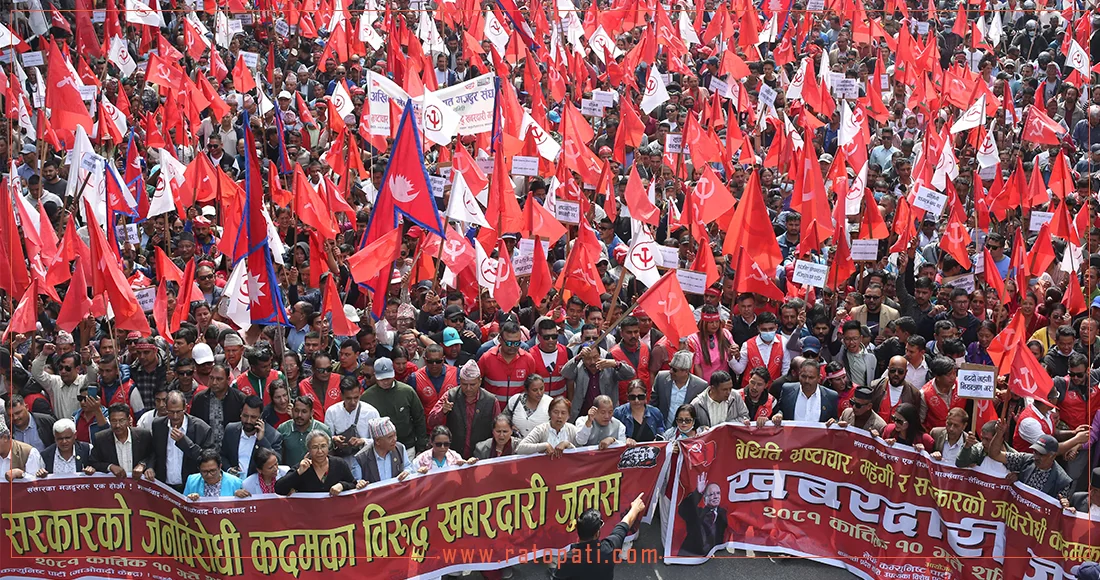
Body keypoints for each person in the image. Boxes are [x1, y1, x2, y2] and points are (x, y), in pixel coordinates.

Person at [986, 420, 1088, 501]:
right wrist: (999, 434)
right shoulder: (1026, 460)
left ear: (1053, 456)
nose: (1036, 457)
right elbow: (995, 454)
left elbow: (1056, 512)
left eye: (1041, 454)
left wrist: (1065, 505)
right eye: (1035, 452)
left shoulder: (1062, 481)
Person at [551, 493, 647, 580]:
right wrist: (635, 508)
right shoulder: (609, 549)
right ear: (597, 533)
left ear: (576, 528)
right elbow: (625, 524)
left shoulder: (567, 560)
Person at [427, 360, 502, 458]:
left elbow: (498, 428)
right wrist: (443, 411)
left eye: (472, 385)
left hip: (481, 455)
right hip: (454, 455)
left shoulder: (491, 400)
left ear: (480, 381)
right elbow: (430, 421)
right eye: (465, 384)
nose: (468, 388)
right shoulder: (450, 396)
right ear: (460, 381)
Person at [146, 391, 213, 491]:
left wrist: (184, 442)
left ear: (185, 408)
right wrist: (150, 467)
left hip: (190, 488)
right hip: (164, 486)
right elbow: (154, 452)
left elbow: (206, 459)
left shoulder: (201, 428)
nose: (175, 416)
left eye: (178, 411)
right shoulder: (158, 425)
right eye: (171, 412)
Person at [361, 358, 428, 456]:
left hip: (407, 447)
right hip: (380, 450)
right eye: (382, 379)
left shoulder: (407, 391)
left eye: (388, 378)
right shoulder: (367, 397)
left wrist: (421, 446)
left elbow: (419, 418)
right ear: (375, 375)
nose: (385, 382)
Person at [563, 344, 636, 418]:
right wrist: (577, 357)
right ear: (582, 359)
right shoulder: (578, 368)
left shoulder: (610, 368)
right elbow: (565, 373)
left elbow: (631, 374)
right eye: (588, 358)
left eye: (595, 357)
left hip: (607, 417)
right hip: (583, 416)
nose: (592, 362)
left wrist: (615, 364)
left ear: (600, 355)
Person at [275, 430, 356, 496]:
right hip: (308, 513)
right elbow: (279, 489)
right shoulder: (302, 467)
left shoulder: (339, 464)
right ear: (309, 449)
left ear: (329, 447)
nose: (320, 451)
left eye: (323, 446)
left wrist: (342, 485)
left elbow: (353, 484)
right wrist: (298, 472)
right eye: (315, 447)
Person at [220, 396, 283, 477]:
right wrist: (229, 469)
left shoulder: (273, 436)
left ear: (261, 416)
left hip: (258, 486)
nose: (248, 421)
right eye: (245, 416)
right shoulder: (231, 430)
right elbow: (222, 455)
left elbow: (277, 462)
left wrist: (262, 440)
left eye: (253, 417)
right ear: (240, 413)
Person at [325, 374, 380, 463]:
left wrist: (362, 441)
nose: (353, 402)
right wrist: (334, 439)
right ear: (342, 395)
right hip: (341, 462)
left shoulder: (371, 412)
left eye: (356, 398)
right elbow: (325, 438)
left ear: (360, 393)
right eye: (348, 398)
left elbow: (380, 440)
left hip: (366, 462)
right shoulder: (332, 412)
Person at [190, 363, 246, 450]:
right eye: (211, 378)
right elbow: (194, 426)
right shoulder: (199, 399)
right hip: (207, 450)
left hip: (231, 450)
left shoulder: (239, 399)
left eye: (219, 379)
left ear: (228, 380)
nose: (214, 382)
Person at [90, 404, 154, 478]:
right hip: (115, 486)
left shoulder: (143, 435)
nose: (117, 425)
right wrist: (110, 467)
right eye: (114, 421)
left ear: (128, 419)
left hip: (138, 485)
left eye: (121, 420)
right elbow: (93, 462)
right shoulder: (101, 438)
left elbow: (152, 455)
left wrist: (143, 464)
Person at [652, 351, 708, 429]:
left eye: (675, 370)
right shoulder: (661, 378)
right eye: (670, 367)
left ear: (686, 371)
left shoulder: (701, 386)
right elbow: (653, 405)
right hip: (662, 431)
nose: (670, 371)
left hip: (686, 433)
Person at [677, 474, 728, 556]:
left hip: (715, 558)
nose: (715, 497)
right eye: (711, 494)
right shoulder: (696, 513)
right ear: (704, 498)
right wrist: (698, 492)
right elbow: (683, 509)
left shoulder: (724, 513)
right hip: (692, 555)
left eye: (718, 493)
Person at [354, 417, 413, 486]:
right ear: (378, 441)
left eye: (395, 435)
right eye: (390, 437)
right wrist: (360, 483)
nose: (395, 439)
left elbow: (408, 466)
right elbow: (355, 482)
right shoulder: (360, 458)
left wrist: (407, 472)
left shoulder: (400, 448)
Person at [772, 363, 839, 424]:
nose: (807, 381)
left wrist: (834, 422)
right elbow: (781, 410)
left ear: (819, 378)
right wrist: (779, 415)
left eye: (811, 377)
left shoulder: (831, 396)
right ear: (799, 375)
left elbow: (835, 419)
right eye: (803, 376)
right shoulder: (787, 390)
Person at [278, 396, 332, 467]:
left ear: (312, 413)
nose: (299, 415)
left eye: (304, 411)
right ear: (292, 410)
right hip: (291, 475)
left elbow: (330, 456)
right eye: (296, 411)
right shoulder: (283, 429)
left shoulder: (323, 430)